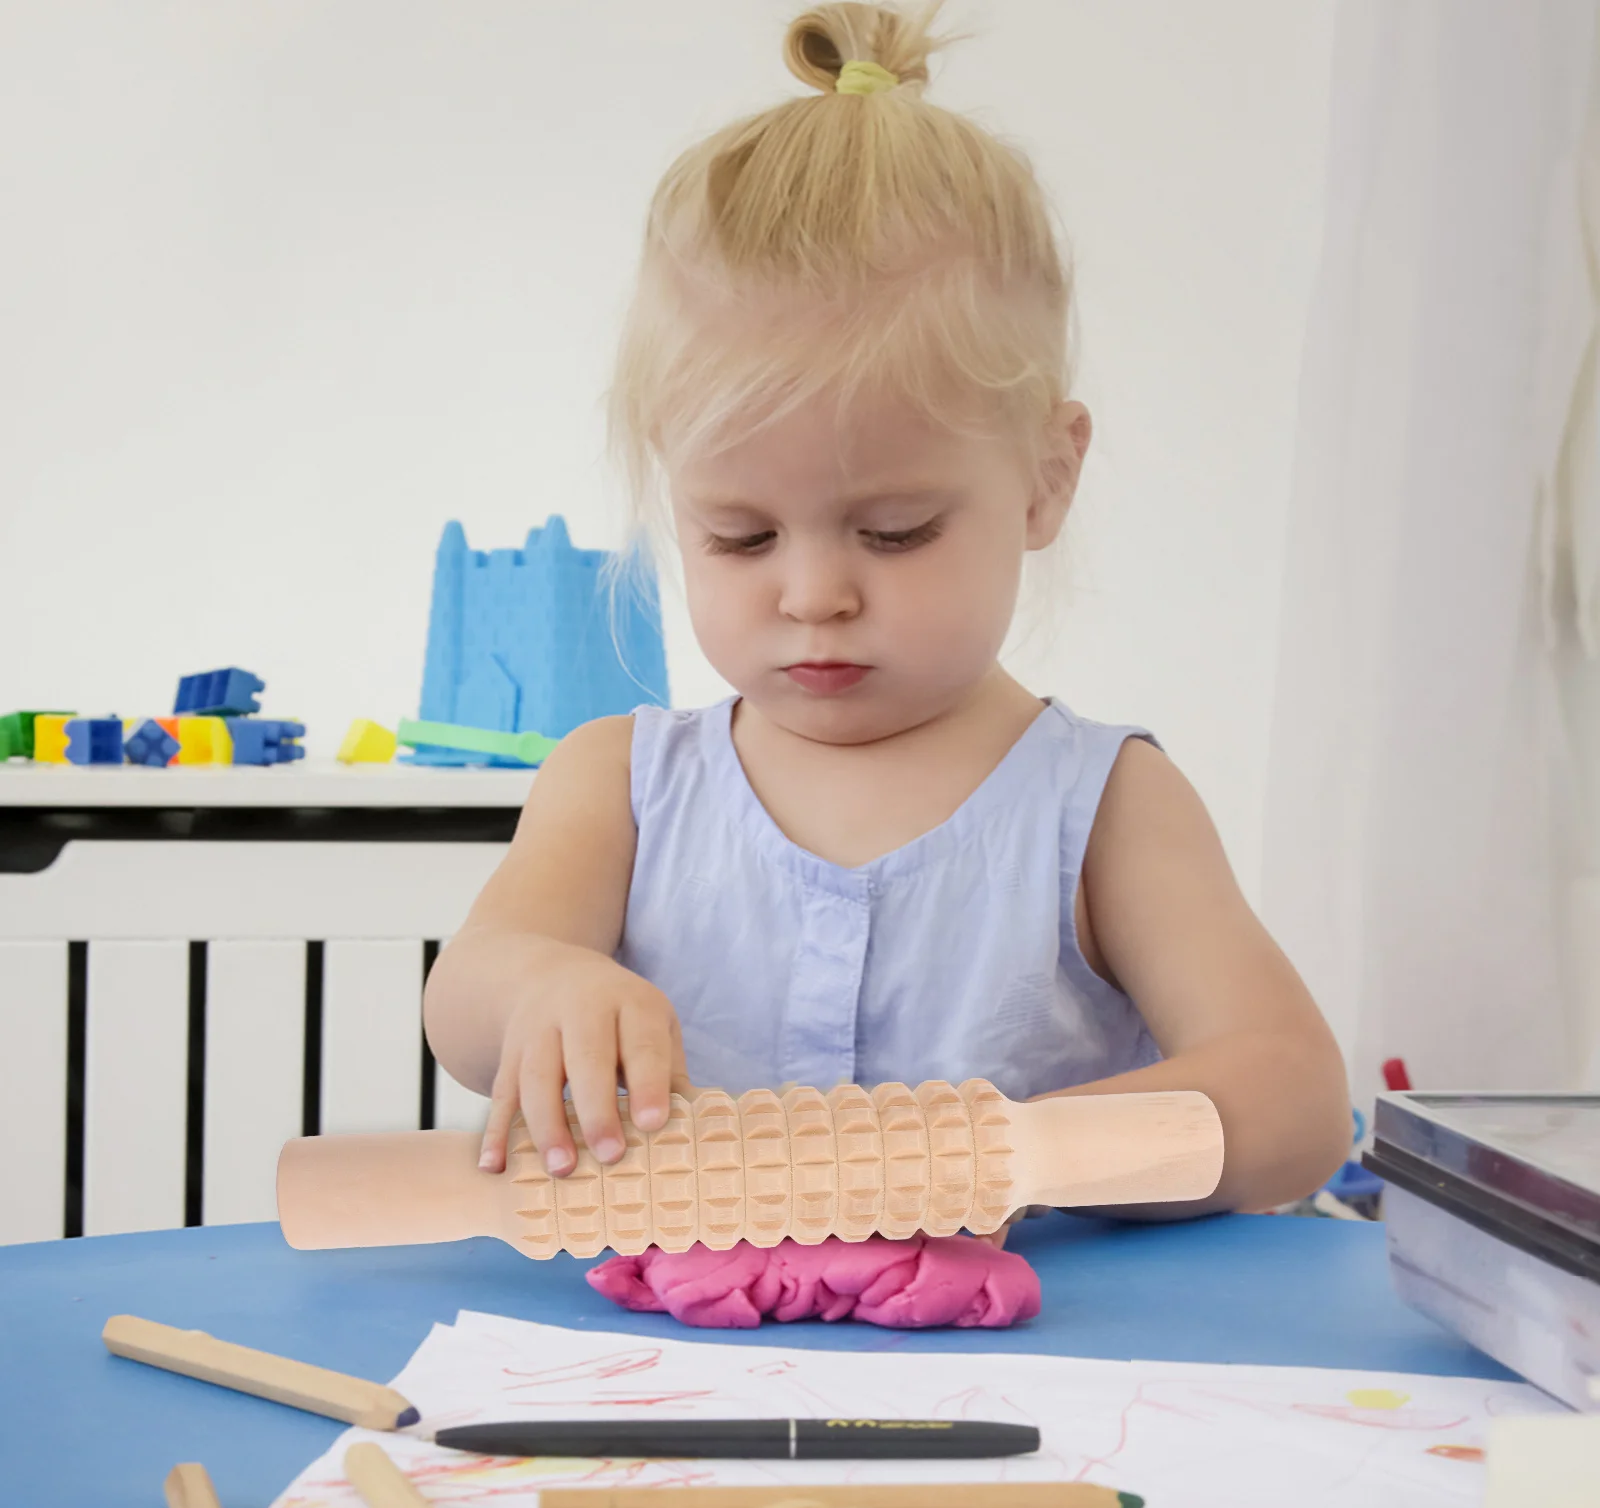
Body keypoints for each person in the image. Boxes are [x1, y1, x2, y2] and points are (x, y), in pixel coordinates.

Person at [424, 0, 1350, 1225]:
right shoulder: (619, 784)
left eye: (896, 531)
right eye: (739, 536)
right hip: (682, 1384)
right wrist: (538, 987)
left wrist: (1006, 1153)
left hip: (1037, 1390)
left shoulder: (1105, 806)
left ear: (1044, 476)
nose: (813, 594)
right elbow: (466, 997)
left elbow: (1292, 1099)